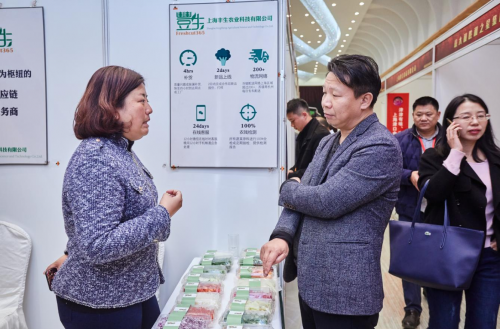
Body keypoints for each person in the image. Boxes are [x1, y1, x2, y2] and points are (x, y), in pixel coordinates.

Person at [260, 54, 402, 329]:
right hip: (312, 283)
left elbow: (324, 201)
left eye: (335, 95)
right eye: (325, 92)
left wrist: (289, 186)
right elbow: (303, 200)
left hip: (346, 292)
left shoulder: (379, 147)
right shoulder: (329, 141)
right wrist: (282, 235)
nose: (325, 102)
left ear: (365, 99)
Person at [43, 66, 183, 329]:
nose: (149, 109)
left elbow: (97, 224)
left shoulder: (119, 151)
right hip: (100, 304)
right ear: (112, 107)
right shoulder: (96, 158)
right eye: (142, 100)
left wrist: (70, 251)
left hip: (130, 293)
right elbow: (97, 244)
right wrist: (162, 214)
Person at [418, 94, 500, 329]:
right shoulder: (434, 158)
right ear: (451, 123)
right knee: (445, 321)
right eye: (466, 117)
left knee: (484, 323)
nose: (475, 122)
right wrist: (456, 154)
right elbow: (432, 194)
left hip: (488, 258)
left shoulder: (496, 158)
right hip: (446, 254)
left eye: (481, 116)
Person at [394, 96, 442, 329]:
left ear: (438, 115)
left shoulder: (449, 139)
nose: (423, 118)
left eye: (428, 114)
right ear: (413, 115)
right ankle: (412, 309)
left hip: (441, 210)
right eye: (418, 114)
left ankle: (434, 297)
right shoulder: (401, 139)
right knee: (410, 259)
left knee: (437, 255)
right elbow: (390, 170)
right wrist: (409, 175)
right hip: (409, 208)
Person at [286, 98, 330, 179]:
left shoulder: (321, 135)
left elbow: (318, 169)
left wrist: (292, 174)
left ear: (304, 115)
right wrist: (292, 170)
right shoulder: (303, 134)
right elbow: (301, 163)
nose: (292, 125)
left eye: (292, 121)